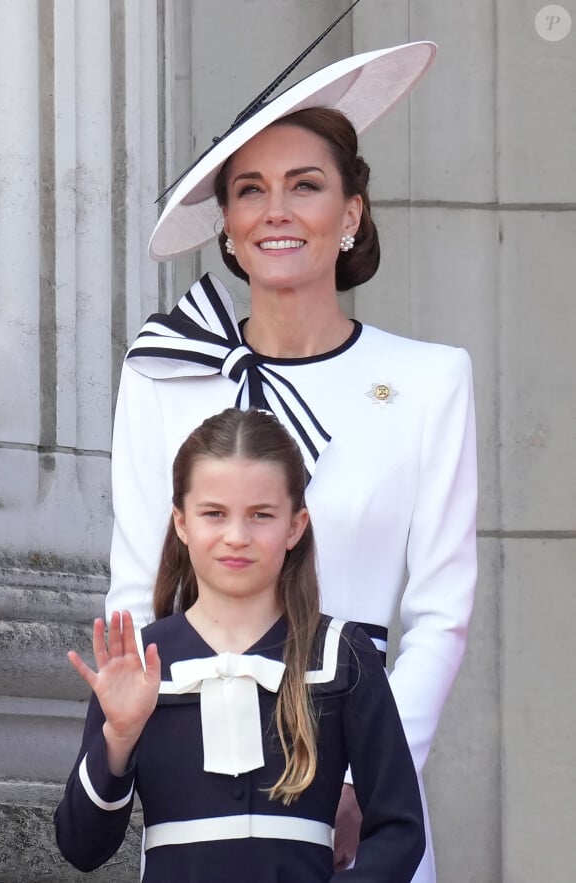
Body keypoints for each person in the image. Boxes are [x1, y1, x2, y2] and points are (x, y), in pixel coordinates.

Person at [106, 38, 477, 882]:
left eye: (305, 185)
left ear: (351, 211)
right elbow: (137, 593)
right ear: (229, 229)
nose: (277, 210)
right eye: (250, 191)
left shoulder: (430, 380)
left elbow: (441, 612)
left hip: (364, 788)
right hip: (201, 779)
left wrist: (367, 776)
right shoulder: (166, 377)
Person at [55, 408, 425, 881]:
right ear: (182, 523)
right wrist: (118, 739)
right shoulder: (141, 663)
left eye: (261, 515)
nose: (236, 537)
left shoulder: (341, 653)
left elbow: (400, 828)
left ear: (295, 525)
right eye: (214, 514)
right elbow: (81, 847)